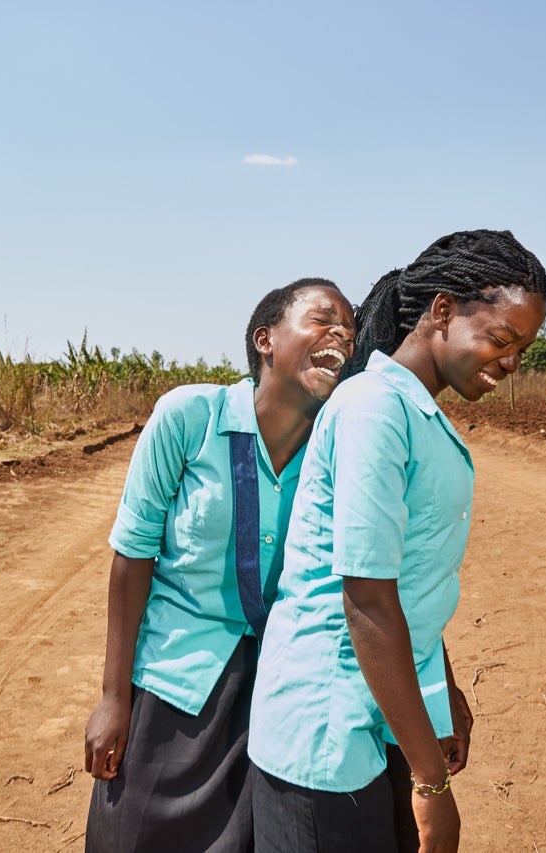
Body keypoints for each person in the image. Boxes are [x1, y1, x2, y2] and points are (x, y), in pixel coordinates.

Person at [248, 230, 546, 853]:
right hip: (325, 732)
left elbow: (411, 583)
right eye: (500, 339)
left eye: (524, 347)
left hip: (380, 716)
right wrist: (433, 786)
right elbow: (367, 599)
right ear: (442, 311)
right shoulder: (374, 410)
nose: (512, 363)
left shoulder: (412, 411)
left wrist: (442, 692)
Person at [83, 278, 357, 853]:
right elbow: (133, 557)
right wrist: (113, 697)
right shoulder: (190, 417)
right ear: (266, 339)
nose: (342, 334)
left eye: (350, 329)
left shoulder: (336, 448)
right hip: (175, 681)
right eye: (324, 318)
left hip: (277, 690)